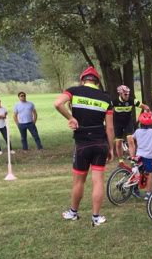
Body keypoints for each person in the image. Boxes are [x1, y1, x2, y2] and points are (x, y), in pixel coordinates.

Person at [53, 67, 114, 227]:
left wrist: (70, 118)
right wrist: (111, 148)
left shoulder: (74, 91)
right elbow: (109, 128)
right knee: (98, 181)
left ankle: (73, 213)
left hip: (82, 144)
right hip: (100, 143)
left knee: (79, 181)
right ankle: (96, 217)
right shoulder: (106, 98)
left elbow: (57, 103)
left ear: (82, 80)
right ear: (97, 82)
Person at [112, 84, 144, 163]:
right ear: (120, 94)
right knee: (118, 143)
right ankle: (120, 161)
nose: (127, 96)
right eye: (125, 94)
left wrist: (147, 109)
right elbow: (106, 110)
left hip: (128, 122)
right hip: (117, 123)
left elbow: (142, 106)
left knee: (130, 140)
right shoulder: (114, 101)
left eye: (128, 94)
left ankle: (133, 160)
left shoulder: (131, 100)